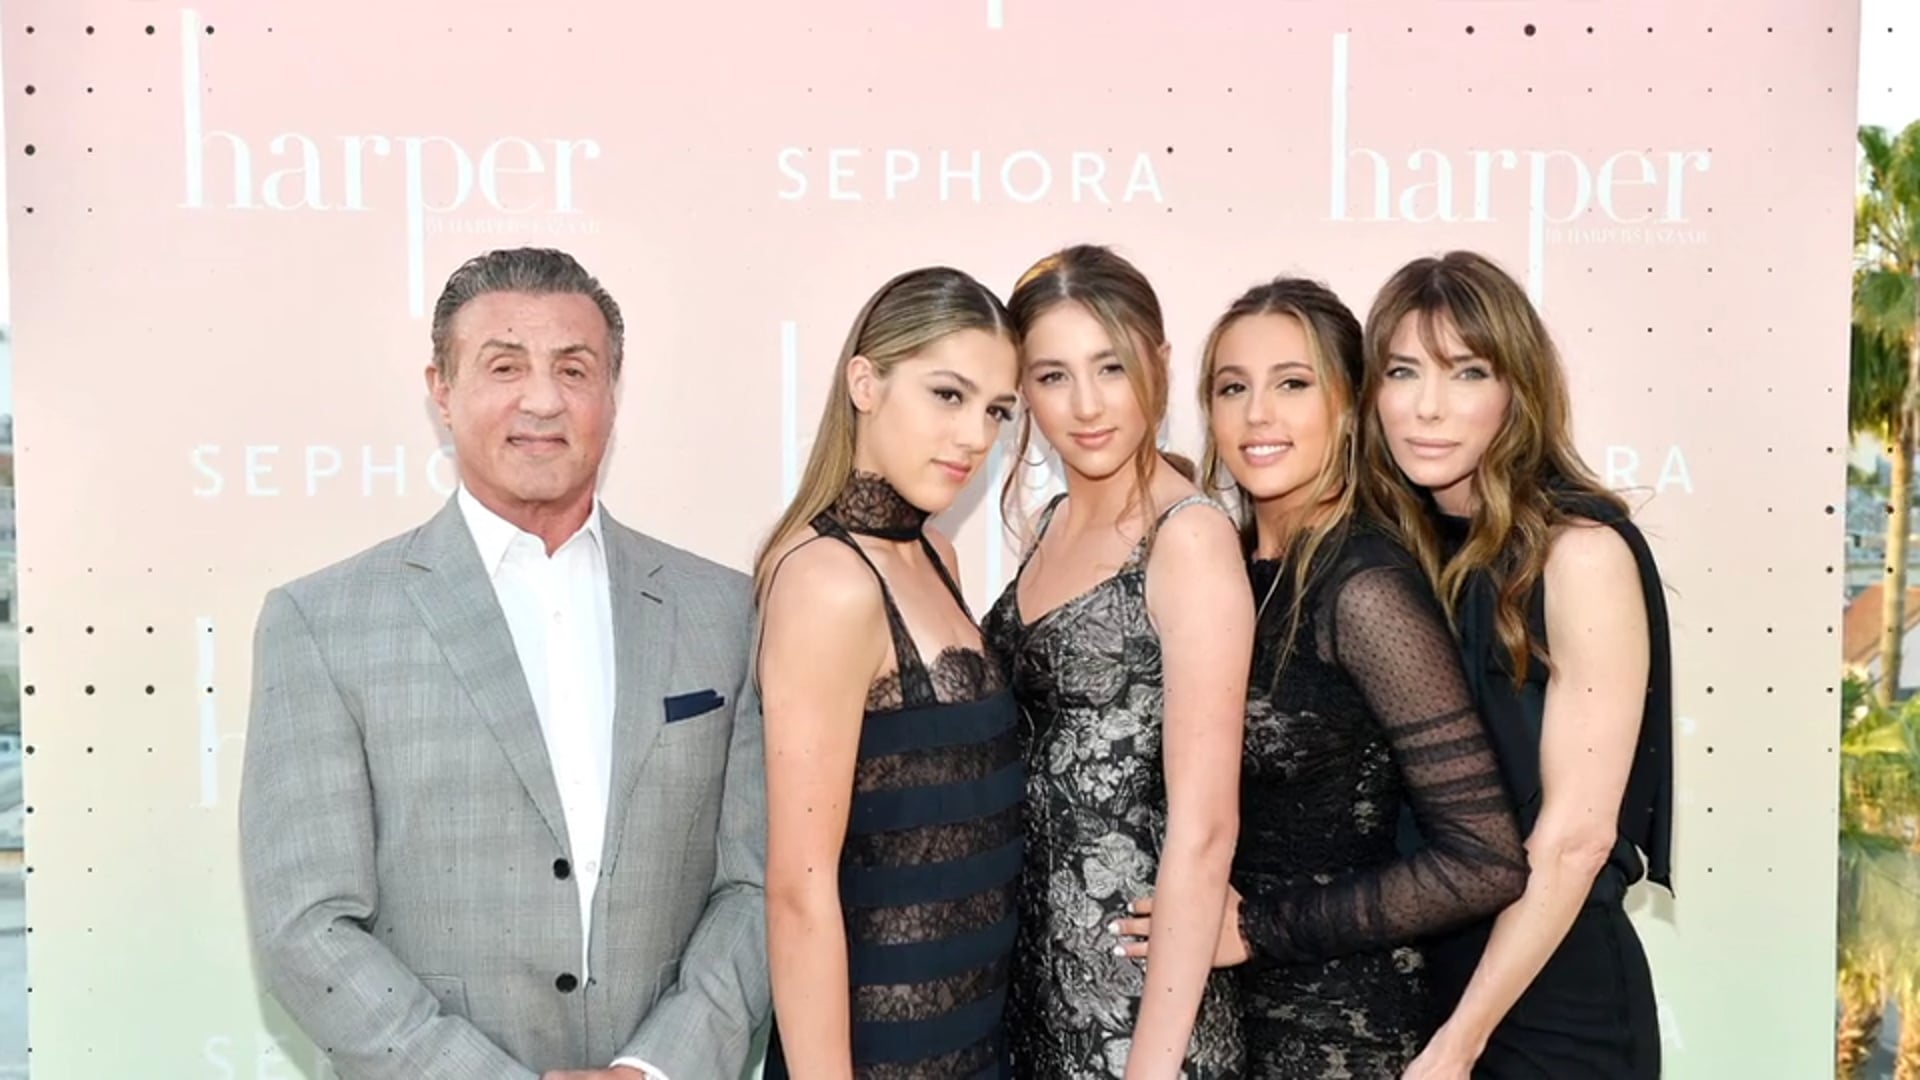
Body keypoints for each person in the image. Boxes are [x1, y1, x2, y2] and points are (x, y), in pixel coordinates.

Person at [238, 247, 768, 1080]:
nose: (544, 399)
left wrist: (659, 1068)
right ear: (442, 390)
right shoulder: (322, 622)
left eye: (574, 369)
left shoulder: (727, 612)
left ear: (612, 392)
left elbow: (757, 884)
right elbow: (305, 925)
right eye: (505, 366)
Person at [1112, 277, 1528, 1076]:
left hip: (1338, 1034)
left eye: (1293, 384)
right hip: (1217, 1023)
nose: (1258, 414)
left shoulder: (1363, 586)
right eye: (1233, 388)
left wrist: (1258, 928)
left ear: (1347, 405)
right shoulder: (1223, 569)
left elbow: (1483, 861)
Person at [1363, 251, 1673, 1079]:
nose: (1428, 406)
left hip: (1550, 1007)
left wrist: (1458, 1044)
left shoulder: (1580, 555)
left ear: (1517, 391)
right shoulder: (1396, 556)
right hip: (1421, 988)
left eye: (1467, 372)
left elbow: (1576, 839)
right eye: (1402, 371)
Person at [981, 244, 1251, 1079]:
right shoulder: (1051, 523)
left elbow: (1205, 829)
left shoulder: (1189, 538)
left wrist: (1152, 1068)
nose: (1087, 404)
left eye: (1111, 366)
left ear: (1159, 363)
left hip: (1137, 1012)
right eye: (1053, 376)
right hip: (1033, 990)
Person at [754, 267, 1025, 1079]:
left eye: (996, 410)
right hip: (878, 1055)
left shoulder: (935, 553)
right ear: (864, 383)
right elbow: (799, 891)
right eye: (948, 395)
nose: (974, 436)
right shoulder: (827, 580)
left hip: (974, 1041)